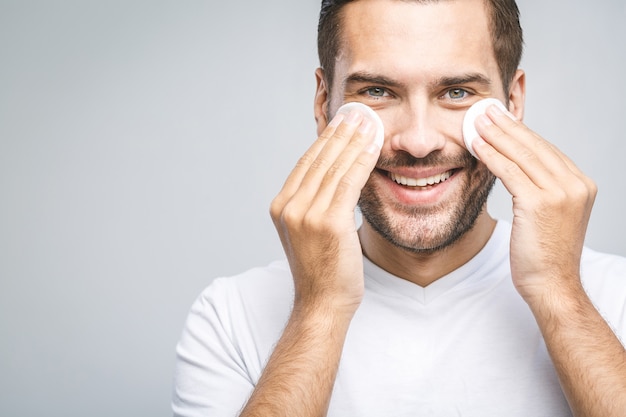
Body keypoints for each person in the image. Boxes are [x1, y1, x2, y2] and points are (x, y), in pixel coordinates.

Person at [172, 0, 626, 416]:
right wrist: (320, 311)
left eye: (457, 92)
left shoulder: (615, 299)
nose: (418, 141)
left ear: (513, 101)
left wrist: (560, 297)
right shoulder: (231, 316)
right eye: (375, 91)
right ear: (322, 102)